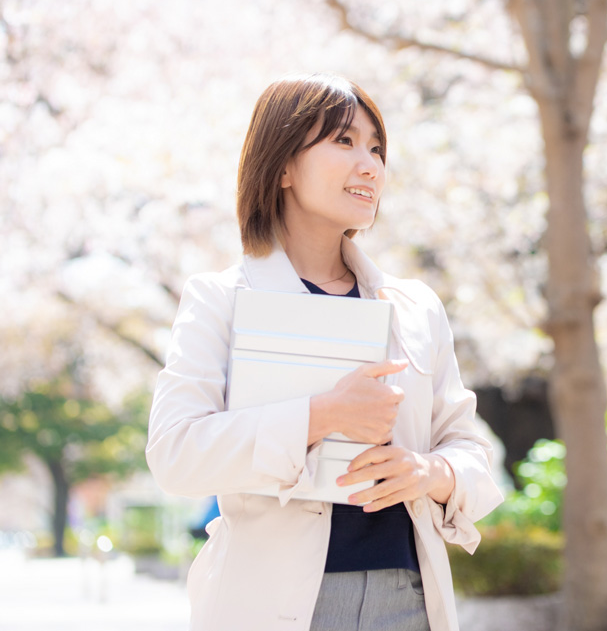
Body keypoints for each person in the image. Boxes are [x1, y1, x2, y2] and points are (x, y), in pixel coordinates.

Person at [146, 73, 503, 631]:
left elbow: (472, 455)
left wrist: (428, 471)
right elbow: (175, 454)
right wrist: (321, 415)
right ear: (282, 166)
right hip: (272, 602)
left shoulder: (415, 307)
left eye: (377, 148)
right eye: (344, 141)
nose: (370, 165)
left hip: (407, 598)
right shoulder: (219, 300)